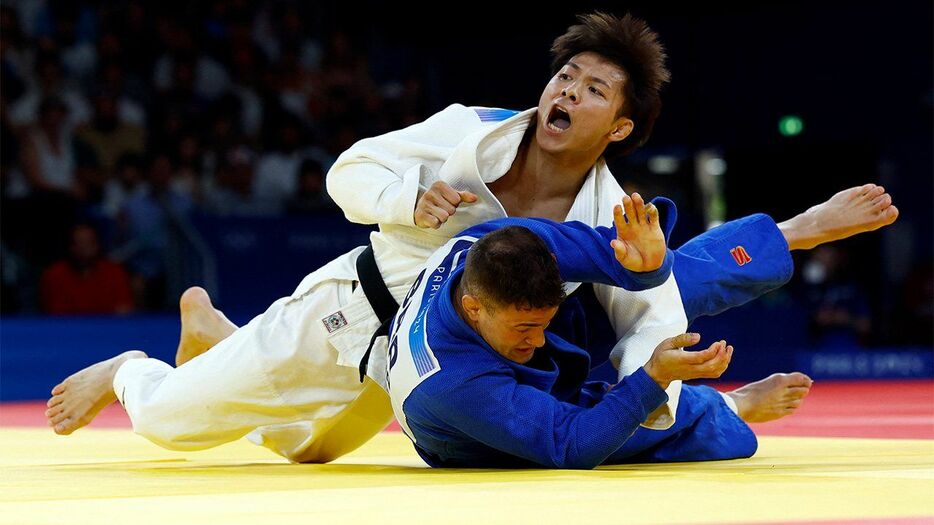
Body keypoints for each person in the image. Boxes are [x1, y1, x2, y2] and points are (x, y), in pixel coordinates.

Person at [46, 13, 898, 463]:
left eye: (593, 88)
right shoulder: (472, 132)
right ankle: (132, 364)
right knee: (170, 423)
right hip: (353, 309)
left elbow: (651, 306)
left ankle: (221, 339)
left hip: (420, 365)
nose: (566, 91)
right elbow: (346, 171)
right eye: (565, 74)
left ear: (621, 124)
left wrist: (664, 384)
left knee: (310, 450)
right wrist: (408, 200)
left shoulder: (608, 214)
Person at [386, 196, 807, 468]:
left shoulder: (492, 242)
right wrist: (653, 377)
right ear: (473, 307)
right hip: (468, 436)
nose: (536, 341)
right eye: (526, 328)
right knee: (615, 425)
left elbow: (607, 253)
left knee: (666, 286)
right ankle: (729, 408)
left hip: (484, 354)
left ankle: (790, 233)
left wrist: (647, 263)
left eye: (542, 324)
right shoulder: (455, 384)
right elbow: (575, 444)